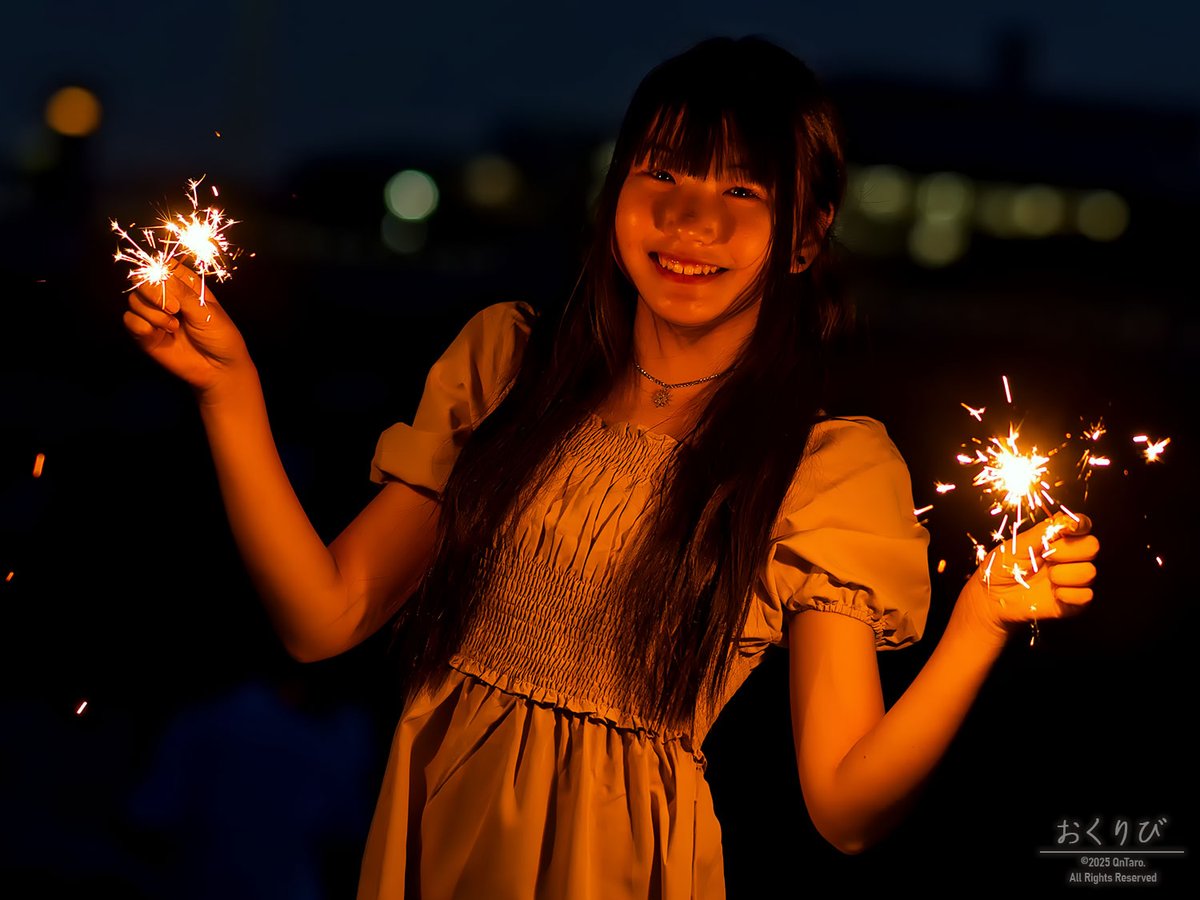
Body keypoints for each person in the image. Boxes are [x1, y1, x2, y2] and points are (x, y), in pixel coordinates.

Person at [122, 36, 1099, 900]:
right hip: (433, 837)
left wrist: (978, 624)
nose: (691, 220)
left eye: (743, 192)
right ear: (615, 189)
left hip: (622, 865)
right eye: (662, 174)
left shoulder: (823, 469)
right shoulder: (504, 366)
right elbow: (321, 617)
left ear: (804, 237)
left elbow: (845, 808)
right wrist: (230, 396)